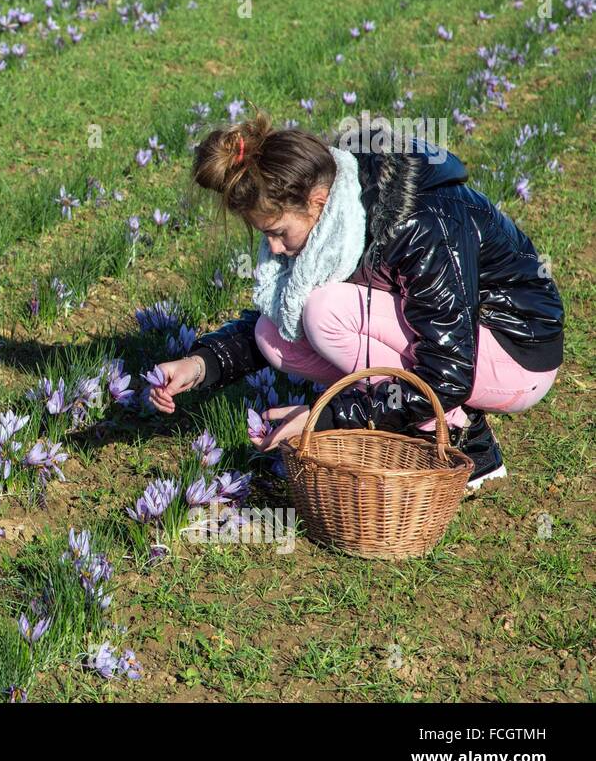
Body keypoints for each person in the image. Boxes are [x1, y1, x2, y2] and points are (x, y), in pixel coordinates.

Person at [148, 112, 564, 492]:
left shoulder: (419, 223)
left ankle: (464, 436)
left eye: (277, 231)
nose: (273, 248)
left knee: (325, 312)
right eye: (265, 235)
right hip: (457, 346)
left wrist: (324, 417)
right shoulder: (338, 213)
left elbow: (448, 369)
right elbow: (278, 313)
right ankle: (404, 417)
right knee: (272, 332)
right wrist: (201, 364)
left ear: (316, 201)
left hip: (514, 351)